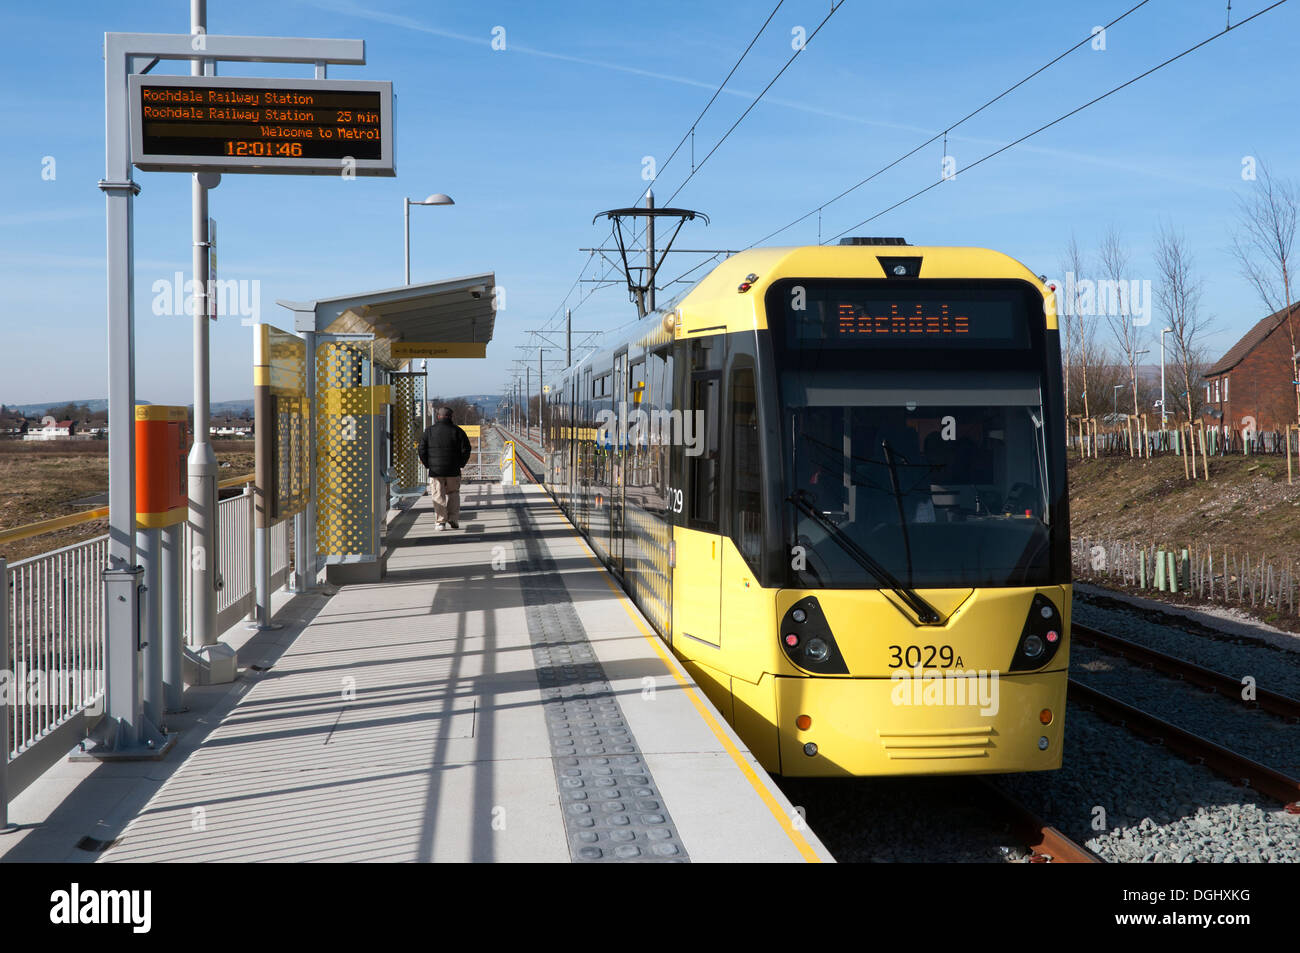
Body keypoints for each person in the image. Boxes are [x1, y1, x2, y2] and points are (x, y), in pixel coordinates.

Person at [418, 406, 472, 530]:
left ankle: (441, 521)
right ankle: (453, 518)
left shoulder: (429, 431)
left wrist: (428, 464)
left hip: (436, 471)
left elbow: (421, 449)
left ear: (438, 417)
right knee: (453, 493)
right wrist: (461, 463)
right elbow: (466, 449)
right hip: (453, 469)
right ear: (451, 417)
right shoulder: (458, 431)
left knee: (438, 495)